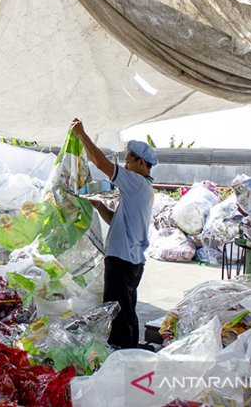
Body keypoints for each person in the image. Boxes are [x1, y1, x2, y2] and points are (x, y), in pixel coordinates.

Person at [70, 118, 158, 349]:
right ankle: (126, 350)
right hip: (130, 259)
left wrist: (82, 134)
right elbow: (118, 221)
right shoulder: (142, 189)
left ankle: (122, 354)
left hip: (123, 259)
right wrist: (99, 207)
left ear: (141, 163)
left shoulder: (136, 182)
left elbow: (100, 162)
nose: (126, 166)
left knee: (118, 313)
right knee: (125, 311)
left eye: (129, 161)